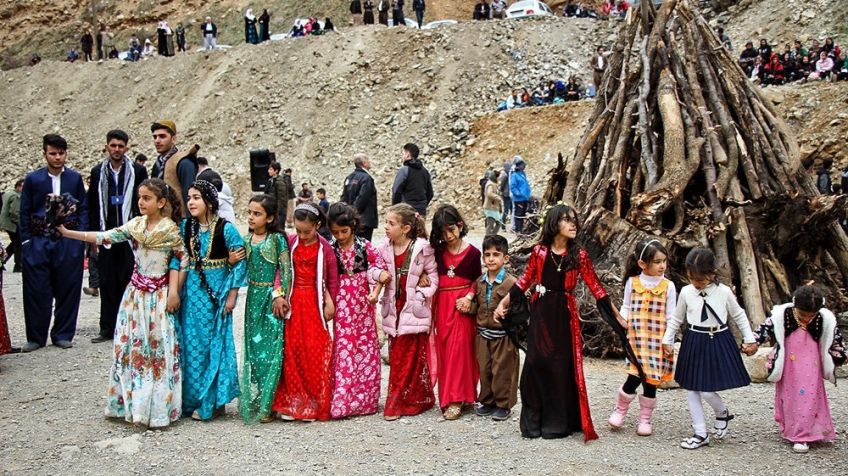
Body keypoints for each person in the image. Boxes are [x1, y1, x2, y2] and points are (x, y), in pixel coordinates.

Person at [59, 178, 187, 427]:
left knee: (158, 349)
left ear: (161, 202)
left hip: (158, 296)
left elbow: (183, 260)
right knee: (132, 348)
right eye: (140, 197)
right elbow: (105, 236)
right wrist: (67, 233)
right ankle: (132, 405)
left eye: (147, 198)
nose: (141, 202)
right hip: (135, 297)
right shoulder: (135, 225)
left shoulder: (171, 230)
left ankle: (158, 408)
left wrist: (175, 291)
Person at [494, 204, 621, 440]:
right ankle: (533, 423)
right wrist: (505, 302)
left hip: (565, 316)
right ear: (554, 224)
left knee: (561, 367)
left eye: (575, 219)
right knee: (534, 363)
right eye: (566, 220)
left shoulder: (579, 255)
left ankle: (558, 424)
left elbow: (596, 288)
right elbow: (524, 280)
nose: (573, 224)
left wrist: (618, 317)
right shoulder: (540, 252)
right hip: (541, 313)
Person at [662, 248, 758, 449]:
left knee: (706, 390)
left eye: (700, 279)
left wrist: (750, 338)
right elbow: (677, 318)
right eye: (691, 277)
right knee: (691, 388)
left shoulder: (723, 292)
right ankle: (700, 432)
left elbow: (738, 315)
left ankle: (722, 412)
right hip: (694, 340)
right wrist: (667, 339)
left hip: (717, 339)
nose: (695, 283)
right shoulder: (687, 292)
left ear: (712, 273)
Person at [177, 180, 247, 421]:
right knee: (191, 345)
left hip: (216, 296)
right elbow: (179, 259)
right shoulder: (186, 227)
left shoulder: (226, 229)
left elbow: (242, 261)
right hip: (191, 295)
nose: (191, 202)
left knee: (214, 345)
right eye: (189, 197)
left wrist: (232, 294)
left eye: (196, 197)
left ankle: (214, 402)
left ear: (209, 201)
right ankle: (193, 399)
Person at [753, 284, 846, 454]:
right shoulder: (782, 315)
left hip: (812, 363)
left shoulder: (824, 319)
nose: (807, 319)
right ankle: (792, 427)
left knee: (809, 395)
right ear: (795, 306)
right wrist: (752, 343)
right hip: (789, 363)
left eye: (812, 315)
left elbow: (835, 338)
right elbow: (764, 329)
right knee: (789, 396)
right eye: (803, 315)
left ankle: (803, 434)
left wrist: (840, 355)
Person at [19, 134, 89, 352]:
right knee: (36, 289)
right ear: (44, 153)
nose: (58, 157)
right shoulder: (33, 179)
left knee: (68, 286)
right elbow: (24, 212)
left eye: (61, 153)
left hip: (68, 240)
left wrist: (80, 238)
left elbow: (84, 208)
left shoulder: (75, 179)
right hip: (39, 239)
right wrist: (27, 241)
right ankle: (36, 337)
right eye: (53, 153)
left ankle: (63, 333)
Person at [272, 203, 340, 421]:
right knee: (292, 349)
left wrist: (331, 302)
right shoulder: (290, 243)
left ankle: (312, 400)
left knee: (315, 349)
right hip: (293, 301)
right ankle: (294, 400)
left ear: (317, 226)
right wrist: (279, 295)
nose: (302, 235)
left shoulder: (325, 249)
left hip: (314, 302)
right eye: (298, 230)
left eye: (307, 231)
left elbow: (332, 280)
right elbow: (280, 272)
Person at [608, 240, 676, 436]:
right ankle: (620, 410)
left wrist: (669, 340)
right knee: (634, 375)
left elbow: (671, 316)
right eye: (657, 262)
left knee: (651, 381)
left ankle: (645, 418)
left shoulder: (668, 286)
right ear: (642, 264)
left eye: (664, 261)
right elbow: (627, 306)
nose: (662, 266)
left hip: (657, 341)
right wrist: (623, 321)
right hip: (637, 339)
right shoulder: (633, 282)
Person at [328, 203, 390, 418]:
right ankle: (343, 399)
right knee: (344, 347)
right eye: (335, 232)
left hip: (363, 303)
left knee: (365, 348)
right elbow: (326, 277)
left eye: (344, 231)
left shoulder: (365, 246)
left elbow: (379, 269)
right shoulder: (330, 248)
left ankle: (365, 400)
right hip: (342, 303)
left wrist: (376, 291)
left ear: (353, 227)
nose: (340, 236)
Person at [377, 203, 438, 420]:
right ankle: (412, 399)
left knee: (412, 359)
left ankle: (398, 403)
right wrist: (378, 276)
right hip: (394, 311)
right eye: (386, 222)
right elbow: (372, 269)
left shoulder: (422, 248)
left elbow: (434, 277)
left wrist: (423, 292)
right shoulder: (384, 247)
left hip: (414, 310)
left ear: (405, 228)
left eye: (391, 223)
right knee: (398, 357)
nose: (386, 227)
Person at [87, 129, 149, 343]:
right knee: (106, 281)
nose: (116, 150)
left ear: (126, 148)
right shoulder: (97, 172)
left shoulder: (138, 171)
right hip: (106, 235)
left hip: (130, 234)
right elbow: (93, 205)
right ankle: (107, 329)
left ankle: (130, 327)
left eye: (120, 146)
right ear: (107, 147)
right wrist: (94, 238)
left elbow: (144, 202)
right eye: (113, 146)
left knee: (128, 280)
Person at [239, 194, 291, 424]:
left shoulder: (277, 240)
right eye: (249, 212)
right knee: (254, 348)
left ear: (270, 218)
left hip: (271, 300)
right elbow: (239, 269)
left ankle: (271, 402)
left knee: (271, 350)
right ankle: (261, 398)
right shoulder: (247, 240)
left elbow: (286, 271)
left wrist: (280, 295)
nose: (251, 217)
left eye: (257, 214)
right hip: (252, 298)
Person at [430, 205, 481, 420]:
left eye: (451, 230)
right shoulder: (437, 252)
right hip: (442, 305)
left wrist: (469, 298)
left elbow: (478, 281)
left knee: (460, 351)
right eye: (443, 232)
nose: (448, 236)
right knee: (445, 350)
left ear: (460, 225)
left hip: (462, 306)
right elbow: (429, 272)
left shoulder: (473, 254)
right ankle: (453, 395)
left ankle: (456, 399)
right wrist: (425, 278)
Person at [470, 235, 518, 421]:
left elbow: (520, 308)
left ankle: (503, 405)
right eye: (487, 255)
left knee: (503, 371)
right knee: (485, 369)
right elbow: (478, 305)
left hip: (503, 336)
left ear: (505, 258)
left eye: (496, 254)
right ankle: (488, 401)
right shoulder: (479, 282)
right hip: (483, 335)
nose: (491, 259)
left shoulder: (511, 283)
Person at [149, 120, 199, 217]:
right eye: (155, 137)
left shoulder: (183, 162)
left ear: (173, 139)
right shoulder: (158, 164)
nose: (157, 140)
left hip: (180, 220)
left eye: (162, 136)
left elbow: (190, 195)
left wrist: (190, 225)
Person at [340, 153, 378, 241]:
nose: (370, 162)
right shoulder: (367, 178)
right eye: (368, 160)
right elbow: (362, 199)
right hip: (364, 220)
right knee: (363, 247)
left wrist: (347, 215)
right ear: (364, 163)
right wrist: (354, 214)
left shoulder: (349, 178)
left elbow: (343, 198)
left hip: (351, 220)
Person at [391, 143, 433, 217]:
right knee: (419, 228)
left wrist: (395, 208)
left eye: (403, 153)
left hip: (406, 211)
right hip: (421, 212)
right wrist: (422, 205)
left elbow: (396, 190)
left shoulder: (404, 170)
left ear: (407, 154)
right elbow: (430, 193)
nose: (402, 156)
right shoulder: (425, 171)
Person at [0, 180, 23, 272]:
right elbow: (14, 212)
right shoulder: (16, 196)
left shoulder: (8, 194)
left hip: (4, 222)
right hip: (12, 224)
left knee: (14, 242)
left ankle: (3, 260)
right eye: (22, 186)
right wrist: (19, 222)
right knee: (18, 243)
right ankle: (18, 265)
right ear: (18, 186)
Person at [508, 157, 531, 234]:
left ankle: (521, 229)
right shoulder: (514, 175)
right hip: (519, 199)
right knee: (518, 215)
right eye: (522, 165)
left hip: (525, 198)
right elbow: (513, 187)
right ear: (518, 166)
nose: (524, 166)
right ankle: (518, 230)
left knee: (523, 214)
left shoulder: (522, 174)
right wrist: (519, 194)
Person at [266, 162, 289, 226]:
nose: (268, 171)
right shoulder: (271, 181)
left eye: (270, 169)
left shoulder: (280, 182)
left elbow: (282, 200)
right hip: (272, 209)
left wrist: (277, 213)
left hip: (278, 212)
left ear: (276, 171)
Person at [482, 171, 502, 235]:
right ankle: (488, 237)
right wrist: (497, 197)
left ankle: (492, 235)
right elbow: (489, 193)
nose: (499, 178)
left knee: (498, 223)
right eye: (499, 177)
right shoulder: (490, 184)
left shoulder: (493, 183)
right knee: (490, 224)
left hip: (494, 208)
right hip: (490, 207)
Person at [499, 163, 512, 231]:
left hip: (507, 194)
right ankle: (503, 226)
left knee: (510, 210)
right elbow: (502, 185)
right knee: (507, 210)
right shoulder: (505, 175)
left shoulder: (506, 174)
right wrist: (502, 191)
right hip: (506, 195)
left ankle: (506, 226)